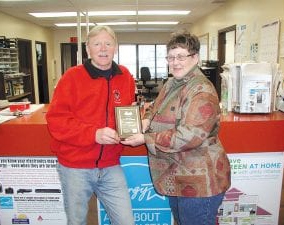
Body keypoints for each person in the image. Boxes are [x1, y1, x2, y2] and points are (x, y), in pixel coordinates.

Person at [121, 30, 231, 225]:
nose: (175, 62)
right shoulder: (172, 82)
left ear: (195, 57)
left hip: (200, 182)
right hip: (178, 175)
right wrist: (146, 121)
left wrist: (146, 138)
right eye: (171, 57)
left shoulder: (201, 89)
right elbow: (154, 107)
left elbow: (189, 136)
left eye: (181, 56)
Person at [46, 25, 135, 225]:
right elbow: (56, 120)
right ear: (87, 49)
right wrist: (93, 134)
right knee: (77, 221)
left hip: (110, 164)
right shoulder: (72, 77)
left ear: (116, 47)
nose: (103, 49)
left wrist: (139, 121)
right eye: (97, 44)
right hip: (75, 166)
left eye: (108, 43)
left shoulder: (125, 76)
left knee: (126, 221)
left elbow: (126, 112)